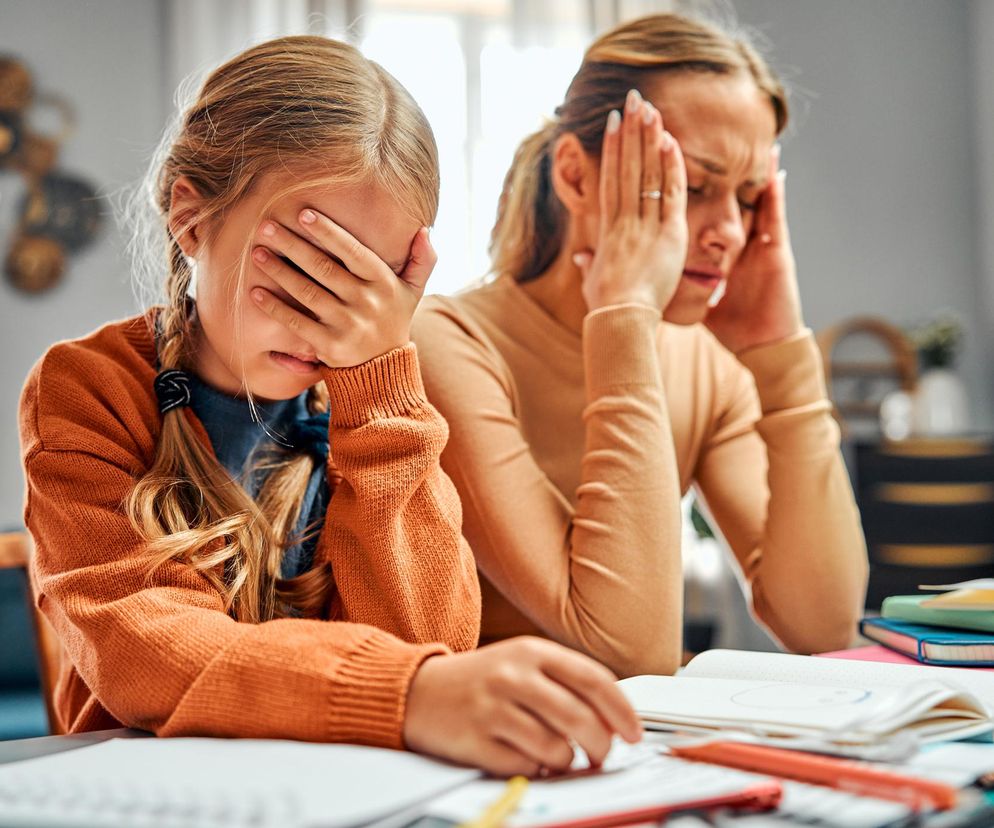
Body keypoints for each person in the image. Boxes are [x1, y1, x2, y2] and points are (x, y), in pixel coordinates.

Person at [18, 36, 640, 777]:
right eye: (299, 271)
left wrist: (380, 387)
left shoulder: (382, 397)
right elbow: (147, 653)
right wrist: (403, 695)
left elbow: (423, 636)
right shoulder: (88, 390)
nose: (330, 323)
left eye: (367, 284)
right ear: (192, 218)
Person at [411, 13, 868, 679]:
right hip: (482, 757)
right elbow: (624, 649)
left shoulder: (706, 363)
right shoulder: (446, 342)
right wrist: (623, 317)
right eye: (694, 187)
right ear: (575, 176)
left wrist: (780, 354)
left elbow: (821, 626)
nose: (729, 233)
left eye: (747, 199)